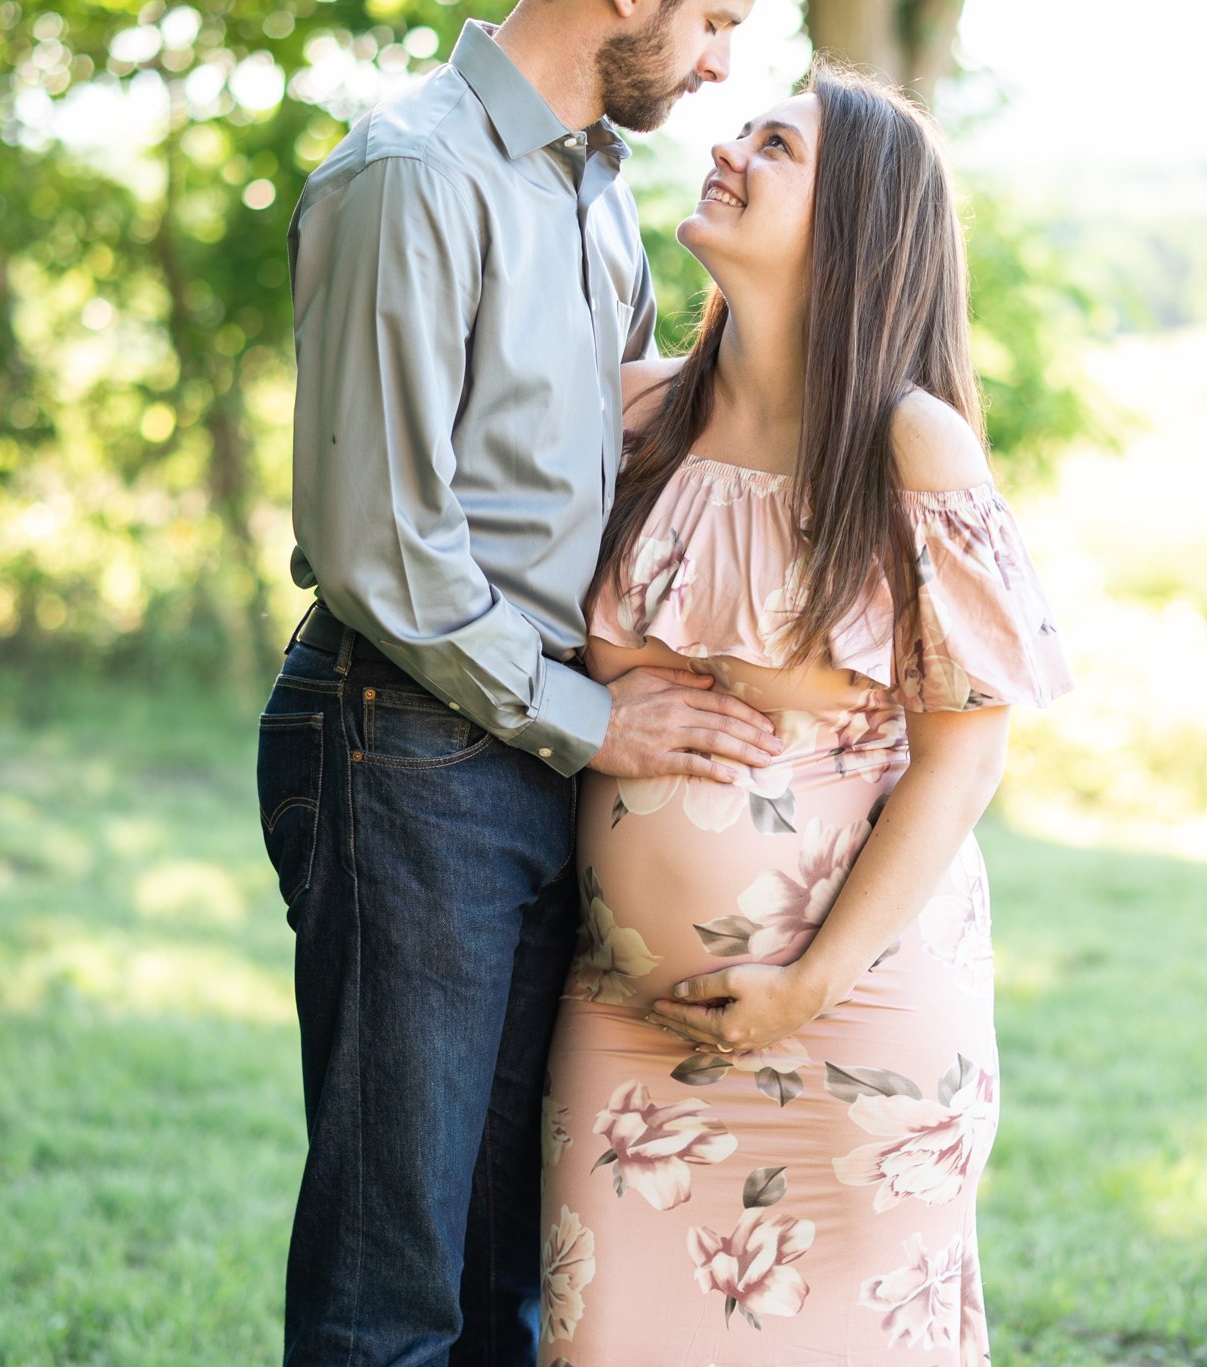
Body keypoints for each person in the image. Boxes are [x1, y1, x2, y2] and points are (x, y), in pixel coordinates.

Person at [536, 63, 1074, 1363]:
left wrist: (807, 985)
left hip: (855, 1025)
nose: (728, 147)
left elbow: (966, 751)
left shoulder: (912, 445)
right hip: (624, 1029)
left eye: (774, 144)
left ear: (853, 229)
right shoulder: (634, 417)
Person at [255, 4, 768, 1364]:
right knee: (395, 1280)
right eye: (717, 14)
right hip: (409, 742)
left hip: (531, 753)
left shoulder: (595, 189)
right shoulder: (413, 176)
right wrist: (597, 722)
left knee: (513, 1284)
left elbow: (604, 456)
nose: (723, 59)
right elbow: (379, 542)